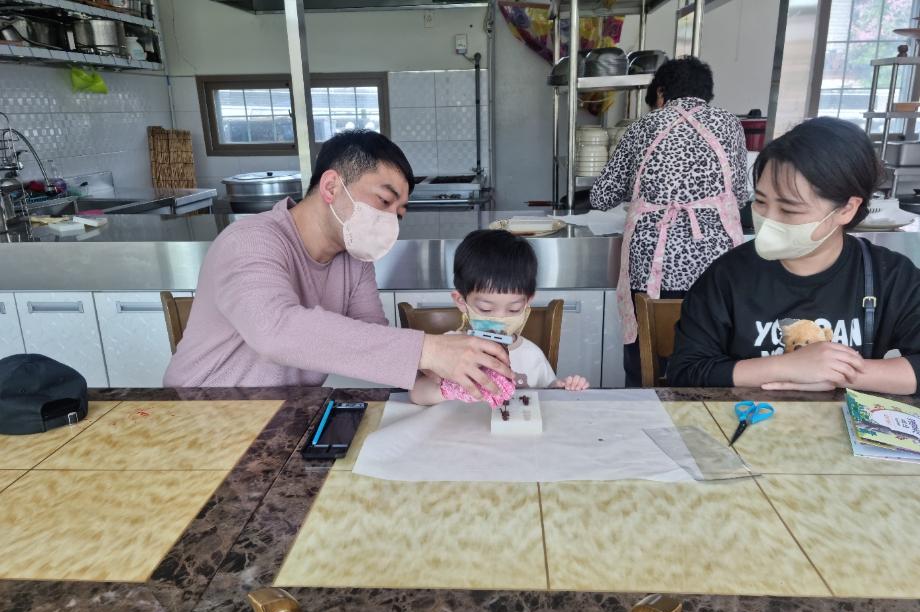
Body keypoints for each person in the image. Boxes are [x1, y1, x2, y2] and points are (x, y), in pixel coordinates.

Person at [163, 130, 512, 397]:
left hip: (287, 416)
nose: (390, 221)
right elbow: (275, 331)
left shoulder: (355, 259)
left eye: (399, 213)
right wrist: (428, 350)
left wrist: (436, 377)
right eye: (384, 201)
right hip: (202, 413)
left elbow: (374, 342)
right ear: (331, 186)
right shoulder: (250, 241)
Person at [668, 117, 920, 395]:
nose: (768, 219)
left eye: (789, 210)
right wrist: (786, 366)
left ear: (846, 209)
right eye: (760, 201)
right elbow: (685, 371)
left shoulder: (889, 276)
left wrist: (836, 373)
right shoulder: (728, 275)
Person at [590, 57, 749, 387]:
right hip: (716, 266)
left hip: (653, 265)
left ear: (661, 92)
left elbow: (601, 196)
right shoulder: (730, 124)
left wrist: (646, 192)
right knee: (711, 354)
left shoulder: (643, 126)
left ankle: (644, 401)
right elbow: (739, 196)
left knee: (648, 357)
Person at [409, 230, 589, 405]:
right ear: (461, 301)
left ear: (527, 302)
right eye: (486, 309)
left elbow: (548, 394)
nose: (500, 319)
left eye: (513, 309)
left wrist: (561, 388)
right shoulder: (448, 348)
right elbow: (416, 393)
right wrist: (449, 389)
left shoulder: (532, 355)